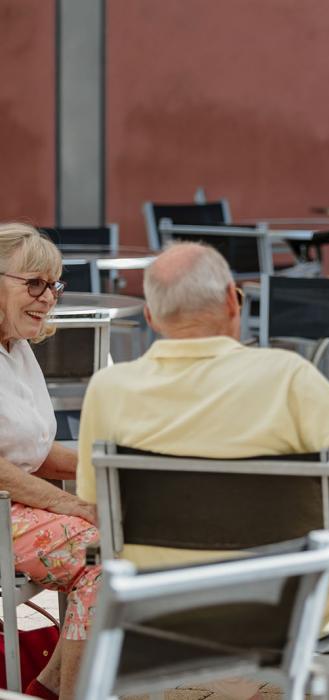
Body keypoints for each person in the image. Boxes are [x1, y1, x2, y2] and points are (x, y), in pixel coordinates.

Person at [75, 241, 329, 700]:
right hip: (286, 616)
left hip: (160, 613)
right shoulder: (289, 377)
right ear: (235, 300)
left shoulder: (108, 389)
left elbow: (97, 511)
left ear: (152, 320)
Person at [0, 223, 101, 700]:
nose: (47, 297)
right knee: (108, 562)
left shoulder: (16, 348)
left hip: (15, 506)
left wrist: (115, 466)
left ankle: (48, 688)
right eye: (33, 283)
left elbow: (33, 453)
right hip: (2, 508)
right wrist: (77, 507)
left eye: (54, 285)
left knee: (128, 537)